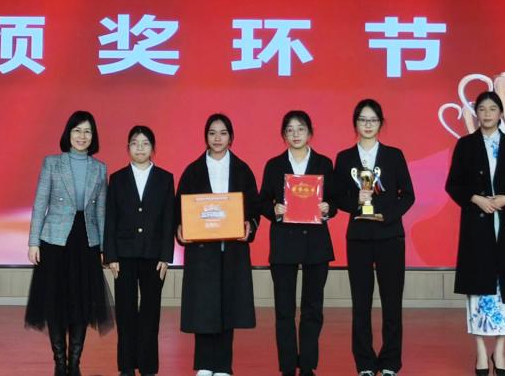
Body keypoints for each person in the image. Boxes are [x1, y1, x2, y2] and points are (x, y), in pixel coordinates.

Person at [444, 91, 505, 376]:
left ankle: (501, 351)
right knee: (478, 290)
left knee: (503, 291)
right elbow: (453, 184)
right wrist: (476, 199)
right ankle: (482, 353)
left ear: (501, 113)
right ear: (476, 113)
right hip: (477, 226)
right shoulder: (465, 145)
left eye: (492, 109)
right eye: (482, 109)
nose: (486, 114)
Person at [25, 110, 114, 376]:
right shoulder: (52, 163)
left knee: (81, 304)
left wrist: (104, 248)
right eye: (77, 130)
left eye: (87, 131)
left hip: (86, 241)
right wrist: (33, 241)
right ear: (68, 133)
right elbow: (40, 203)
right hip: (54, 240)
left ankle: (75, 363)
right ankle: (60, 363)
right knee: (55, 303)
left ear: (93, 136)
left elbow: (101, 212)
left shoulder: (100, 168)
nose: (82, 136)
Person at [333, 99, 416, 376]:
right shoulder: (344, 158)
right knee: (361, 303)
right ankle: (365, 363)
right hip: (358, 237)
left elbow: (408, 195)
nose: (367, 125)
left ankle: (390, 362)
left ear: (380, 123)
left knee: (392, 302)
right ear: (355, 123)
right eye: (362, 119)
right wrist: (356, 201)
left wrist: (387, 216)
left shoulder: (394, 155)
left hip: (389, 236)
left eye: (373, 120)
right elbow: (336, 197)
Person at [175, 113, 259, 376]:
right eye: (212, 133)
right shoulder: (193, 171)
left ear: (231, 137)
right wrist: (180, 229)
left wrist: (250, 225)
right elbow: (180, 210)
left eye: (223, 133)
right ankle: (204, 364)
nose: (217, 138)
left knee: (228, 306)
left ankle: (223, 366)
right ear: (206, 137)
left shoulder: (243, 170)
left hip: (231, 250)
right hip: (203, 252)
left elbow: (254, 209)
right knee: (204, 306)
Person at [259, 110, 335, 376]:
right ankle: (288, 366)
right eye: (289, 130)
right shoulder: (274, 165)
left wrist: (327, 207)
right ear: (283, 135)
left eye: (300, 128)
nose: (295, 134)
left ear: (310, 132)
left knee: (313, 309)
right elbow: (261, 201)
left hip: (316, 244)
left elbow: (335, 200)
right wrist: (274, 209)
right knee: (284, 310)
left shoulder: (324, 163)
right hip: (284, 244)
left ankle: (308, 365)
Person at [104, 125, 175, 376]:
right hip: (123, 255)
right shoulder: (117, 178)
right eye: (135, 143)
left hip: (154, 256)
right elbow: (110, 218)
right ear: (128, 148)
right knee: (125, 312)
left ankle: (148, 367)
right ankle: (126, 366)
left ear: (153, 148)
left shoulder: (165, 178)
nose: (140, 148)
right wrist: (110, 255)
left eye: (145, 143)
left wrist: (166, 256)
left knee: (150, 312)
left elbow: (169, 219)